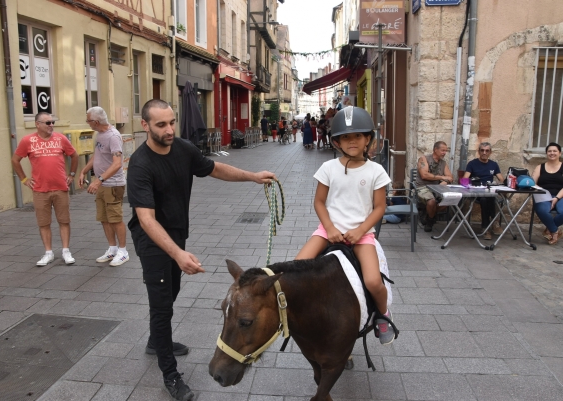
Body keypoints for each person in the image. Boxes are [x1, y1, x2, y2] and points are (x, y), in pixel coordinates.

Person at [127, 99, 276, 401]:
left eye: (172, 122)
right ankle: (170, 373)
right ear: (145, 125)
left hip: (177, 232)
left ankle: (158, 340)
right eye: (161, 125)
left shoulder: (182, 148)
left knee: (172, 293)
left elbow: (214, 168)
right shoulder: (140, 164)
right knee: (161, 305)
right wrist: (177, 254)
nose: (169, 129)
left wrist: (252, 176)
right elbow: (146, 219)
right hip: (152, 239)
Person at [295, 106, 394, 345]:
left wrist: (361, 230)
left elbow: (380, 207)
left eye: (357, 136)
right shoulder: (329, 168)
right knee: (296, 269)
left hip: (362, 235)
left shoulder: (376, 171)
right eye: (346, 137)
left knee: (372, 281)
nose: (352, 141)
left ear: (368, 139)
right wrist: (329, 228)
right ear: (337, 141)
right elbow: (319, 202)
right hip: (328, 230)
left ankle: (383, 314)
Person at [12, 112, 79, 266]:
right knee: (44, 223)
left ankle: (66, 251)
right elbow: (15, 160)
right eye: (47, 123)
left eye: (52, 122)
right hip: (40, 190)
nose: (51, 125)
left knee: (64, 220)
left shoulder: (60, 138)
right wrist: (24, 179)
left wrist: (72, 174)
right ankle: (48, 253)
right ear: (37, 124)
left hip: (60, 188)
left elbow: (74, 155)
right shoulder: (27, 140)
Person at [79, 107, 130, 266]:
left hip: (113, 184)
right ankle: (112, 249)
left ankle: (123, 251)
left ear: (95, 121)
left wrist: (98, 180)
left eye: (88, 120)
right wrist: (84, 170)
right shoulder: (100, 135)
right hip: (102, 184)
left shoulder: (113, 136)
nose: (87, 123)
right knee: (104, 218)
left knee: (115, 219)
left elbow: (117, 164)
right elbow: (98, 154)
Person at [463, 142, 505, 240]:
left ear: (490, 152)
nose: (484, 153)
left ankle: (486, 226)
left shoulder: (493, 165)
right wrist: (470, 184)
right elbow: (465, 179)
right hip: (476, 193)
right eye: (482, 150)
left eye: (487, 151)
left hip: (489, 192)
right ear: (479, 151)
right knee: (484, 199)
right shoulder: (472, 164)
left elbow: (501, 180)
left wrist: (500, 183)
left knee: (488, 198)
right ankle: (490, 225)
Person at [416, 141, 454, 232]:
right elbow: (424, 175)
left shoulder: (443, 163)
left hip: (438, 188)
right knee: (432, 202)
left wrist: (444, 182)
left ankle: (427, 214)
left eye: (446, 151)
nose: (444, 153)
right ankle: (430, 221)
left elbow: (450, 178)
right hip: (423, 187)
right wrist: (442, 177)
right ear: (435, 149)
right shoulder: (424, 159)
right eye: (442, 150)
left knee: (449, 200)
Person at [532, 142, 563, 245]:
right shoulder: (539, 167)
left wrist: (557, 198)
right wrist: (541, 190)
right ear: (546, 153)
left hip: (561, 195)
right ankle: (554, 231)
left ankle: (549, 229)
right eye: (549, 151)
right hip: (543, 195)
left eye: (555, 151)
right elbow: (533, 184)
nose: (552, 153)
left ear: (560, 153)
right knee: (542, 210)